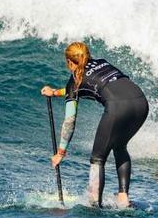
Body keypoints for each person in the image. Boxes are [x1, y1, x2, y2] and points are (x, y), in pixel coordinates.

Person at [41, 42, 148, 208]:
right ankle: (123, 197)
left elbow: (70, 120)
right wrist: (55, 92)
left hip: (118, 108)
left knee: (97, 158)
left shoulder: (75, 80)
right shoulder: (102, 62)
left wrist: (60, 152)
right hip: (141, 103)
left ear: (70, 62)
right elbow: (87, 86)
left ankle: (93, 204)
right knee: (119, 146)